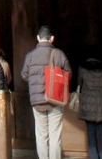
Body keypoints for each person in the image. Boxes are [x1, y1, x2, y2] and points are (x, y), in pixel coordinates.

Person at [21, 26, 70, 159]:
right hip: (55, 99)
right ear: (52, 39)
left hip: (37, 100)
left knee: (41, 135)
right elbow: (68, 74)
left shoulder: (30, 56)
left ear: (38, 38)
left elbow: (24, 75)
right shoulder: (59, 54)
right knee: (55, 135)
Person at [75, 56, 102, 159]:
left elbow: (79, 83)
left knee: (91, 134)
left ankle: (94, 157)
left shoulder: (82, 68)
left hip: (88, 104)